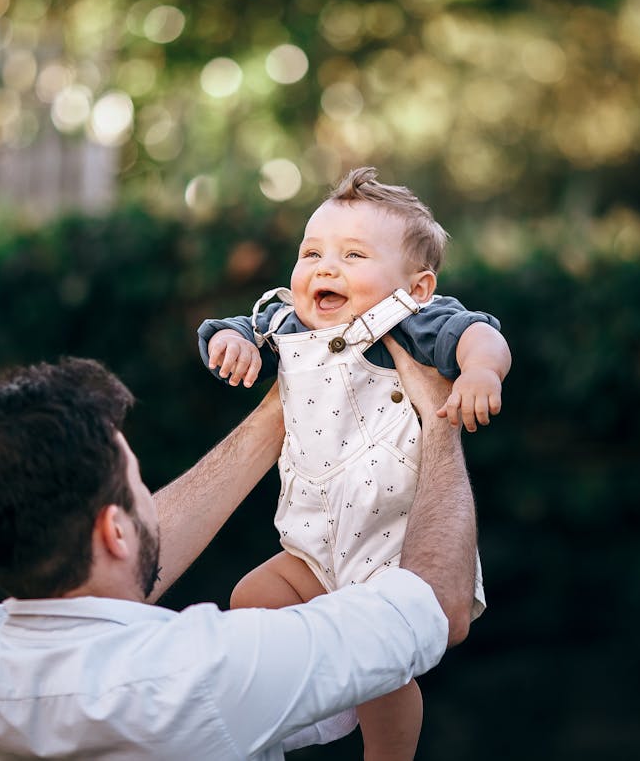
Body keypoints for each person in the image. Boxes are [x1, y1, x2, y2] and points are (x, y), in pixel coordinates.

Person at [0, 339, 479, 760]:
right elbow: (435, 606)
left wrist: (279, 412)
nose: (152, 502)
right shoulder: (208, 670)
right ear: (115, 531)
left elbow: (99, 577)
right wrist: (438, 425)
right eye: (139, 484)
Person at [197, 166, 512, 760]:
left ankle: (384, 751)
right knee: (250, 600)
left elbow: (481, 334)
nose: (325, 267)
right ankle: (321, 701)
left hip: (391, 550)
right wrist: (233, 343)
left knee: (384, 673)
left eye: (353, 255)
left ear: (415, 287)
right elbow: (237, 326)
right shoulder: (286, 322)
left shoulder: (414, 322)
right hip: (313, 547)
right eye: (311, 251)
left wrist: (479, 372)